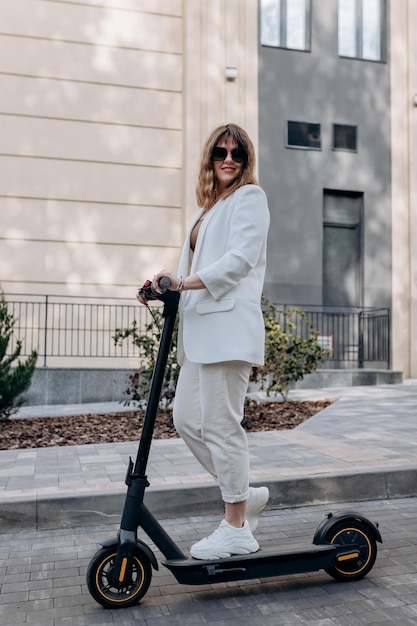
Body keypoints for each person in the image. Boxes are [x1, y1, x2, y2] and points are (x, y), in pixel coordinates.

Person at [139, 123, 270, 560]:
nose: (228, 159)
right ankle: (244, 496)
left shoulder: (250, 198)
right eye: (220, 151)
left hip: (229, 332)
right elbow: (193, 267)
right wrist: (160, 288)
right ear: (209, 159)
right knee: (187, 420)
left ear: (246, 161)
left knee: (220, 425)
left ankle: (236, 526)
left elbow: (239, 261)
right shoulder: (207, 209)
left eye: (237, 153)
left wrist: (186, 282)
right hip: (201, 335)